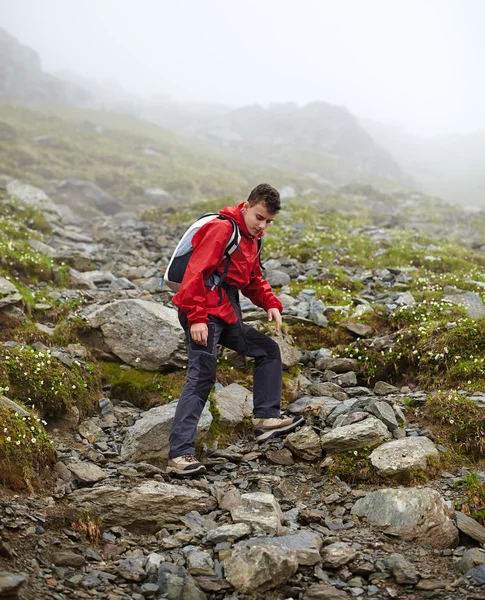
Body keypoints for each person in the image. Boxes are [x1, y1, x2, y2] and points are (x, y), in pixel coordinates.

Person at [166, 183, 304, 476]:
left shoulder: (252, 239)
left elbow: (252, 279)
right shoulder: (222, 230)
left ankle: (266, 419)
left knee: (268, 350)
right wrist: (197, 317)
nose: (262, 226)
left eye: (268, 221)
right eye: (259, 217)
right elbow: (195, 274)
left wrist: (270, 302)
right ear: (246, 205)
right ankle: (179, 455)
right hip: (201, 310)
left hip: (225, 313)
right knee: (202, 375)